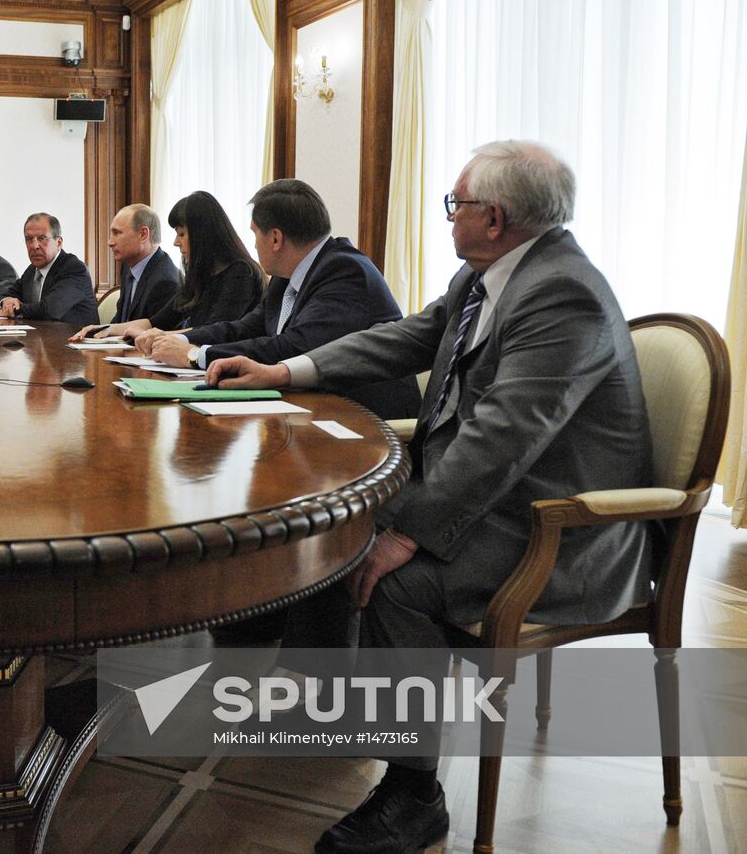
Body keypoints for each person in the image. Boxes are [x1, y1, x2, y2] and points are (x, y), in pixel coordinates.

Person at [207, 141, 654, 854]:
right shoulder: (488, 274)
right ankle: (330, 694)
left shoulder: (561, 292)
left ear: (496, 217)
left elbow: (501, 438)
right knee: (329, 521)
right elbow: (406, 338)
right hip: (500, 500)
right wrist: (283, 371)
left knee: (400, 580)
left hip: (556, 531)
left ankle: (414, 795)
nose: (449, 217)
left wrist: (408, 533)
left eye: (456, 204)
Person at [139, 178, 419, 421]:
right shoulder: (287, 276)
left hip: (366, 423)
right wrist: (183, 340)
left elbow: (293, 347)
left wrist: (194, 356)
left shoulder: (345, 272)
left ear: (275, 239)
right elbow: (244, 327)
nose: (253, 245)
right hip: (307, 409)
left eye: (254, 234)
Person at [71, 190, 263, 341]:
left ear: (201, 235)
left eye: (181, 234)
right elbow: (158, 321)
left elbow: (216, 331)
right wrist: (105, 329)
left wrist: (162, 336)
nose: (175, 242)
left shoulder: (241, 273)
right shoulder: (200, 276)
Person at [0, 213, 97, 326]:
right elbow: (9, 294)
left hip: (74, 340)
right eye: (29, 239)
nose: (34, 245)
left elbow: (50, 309)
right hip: (40, 339)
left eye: (42, 238)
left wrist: (15, 308)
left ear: (59, 243)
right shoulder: (32, 270)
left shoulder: (73, 268)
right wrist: (6, 301)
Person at [103, 204, 180, 324]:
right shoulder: (128, 267)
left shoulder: (166, 281)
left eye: (117, 233)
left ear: (143, 234)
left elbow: (155, 336)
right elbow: (121, 319)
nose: (110, 242)